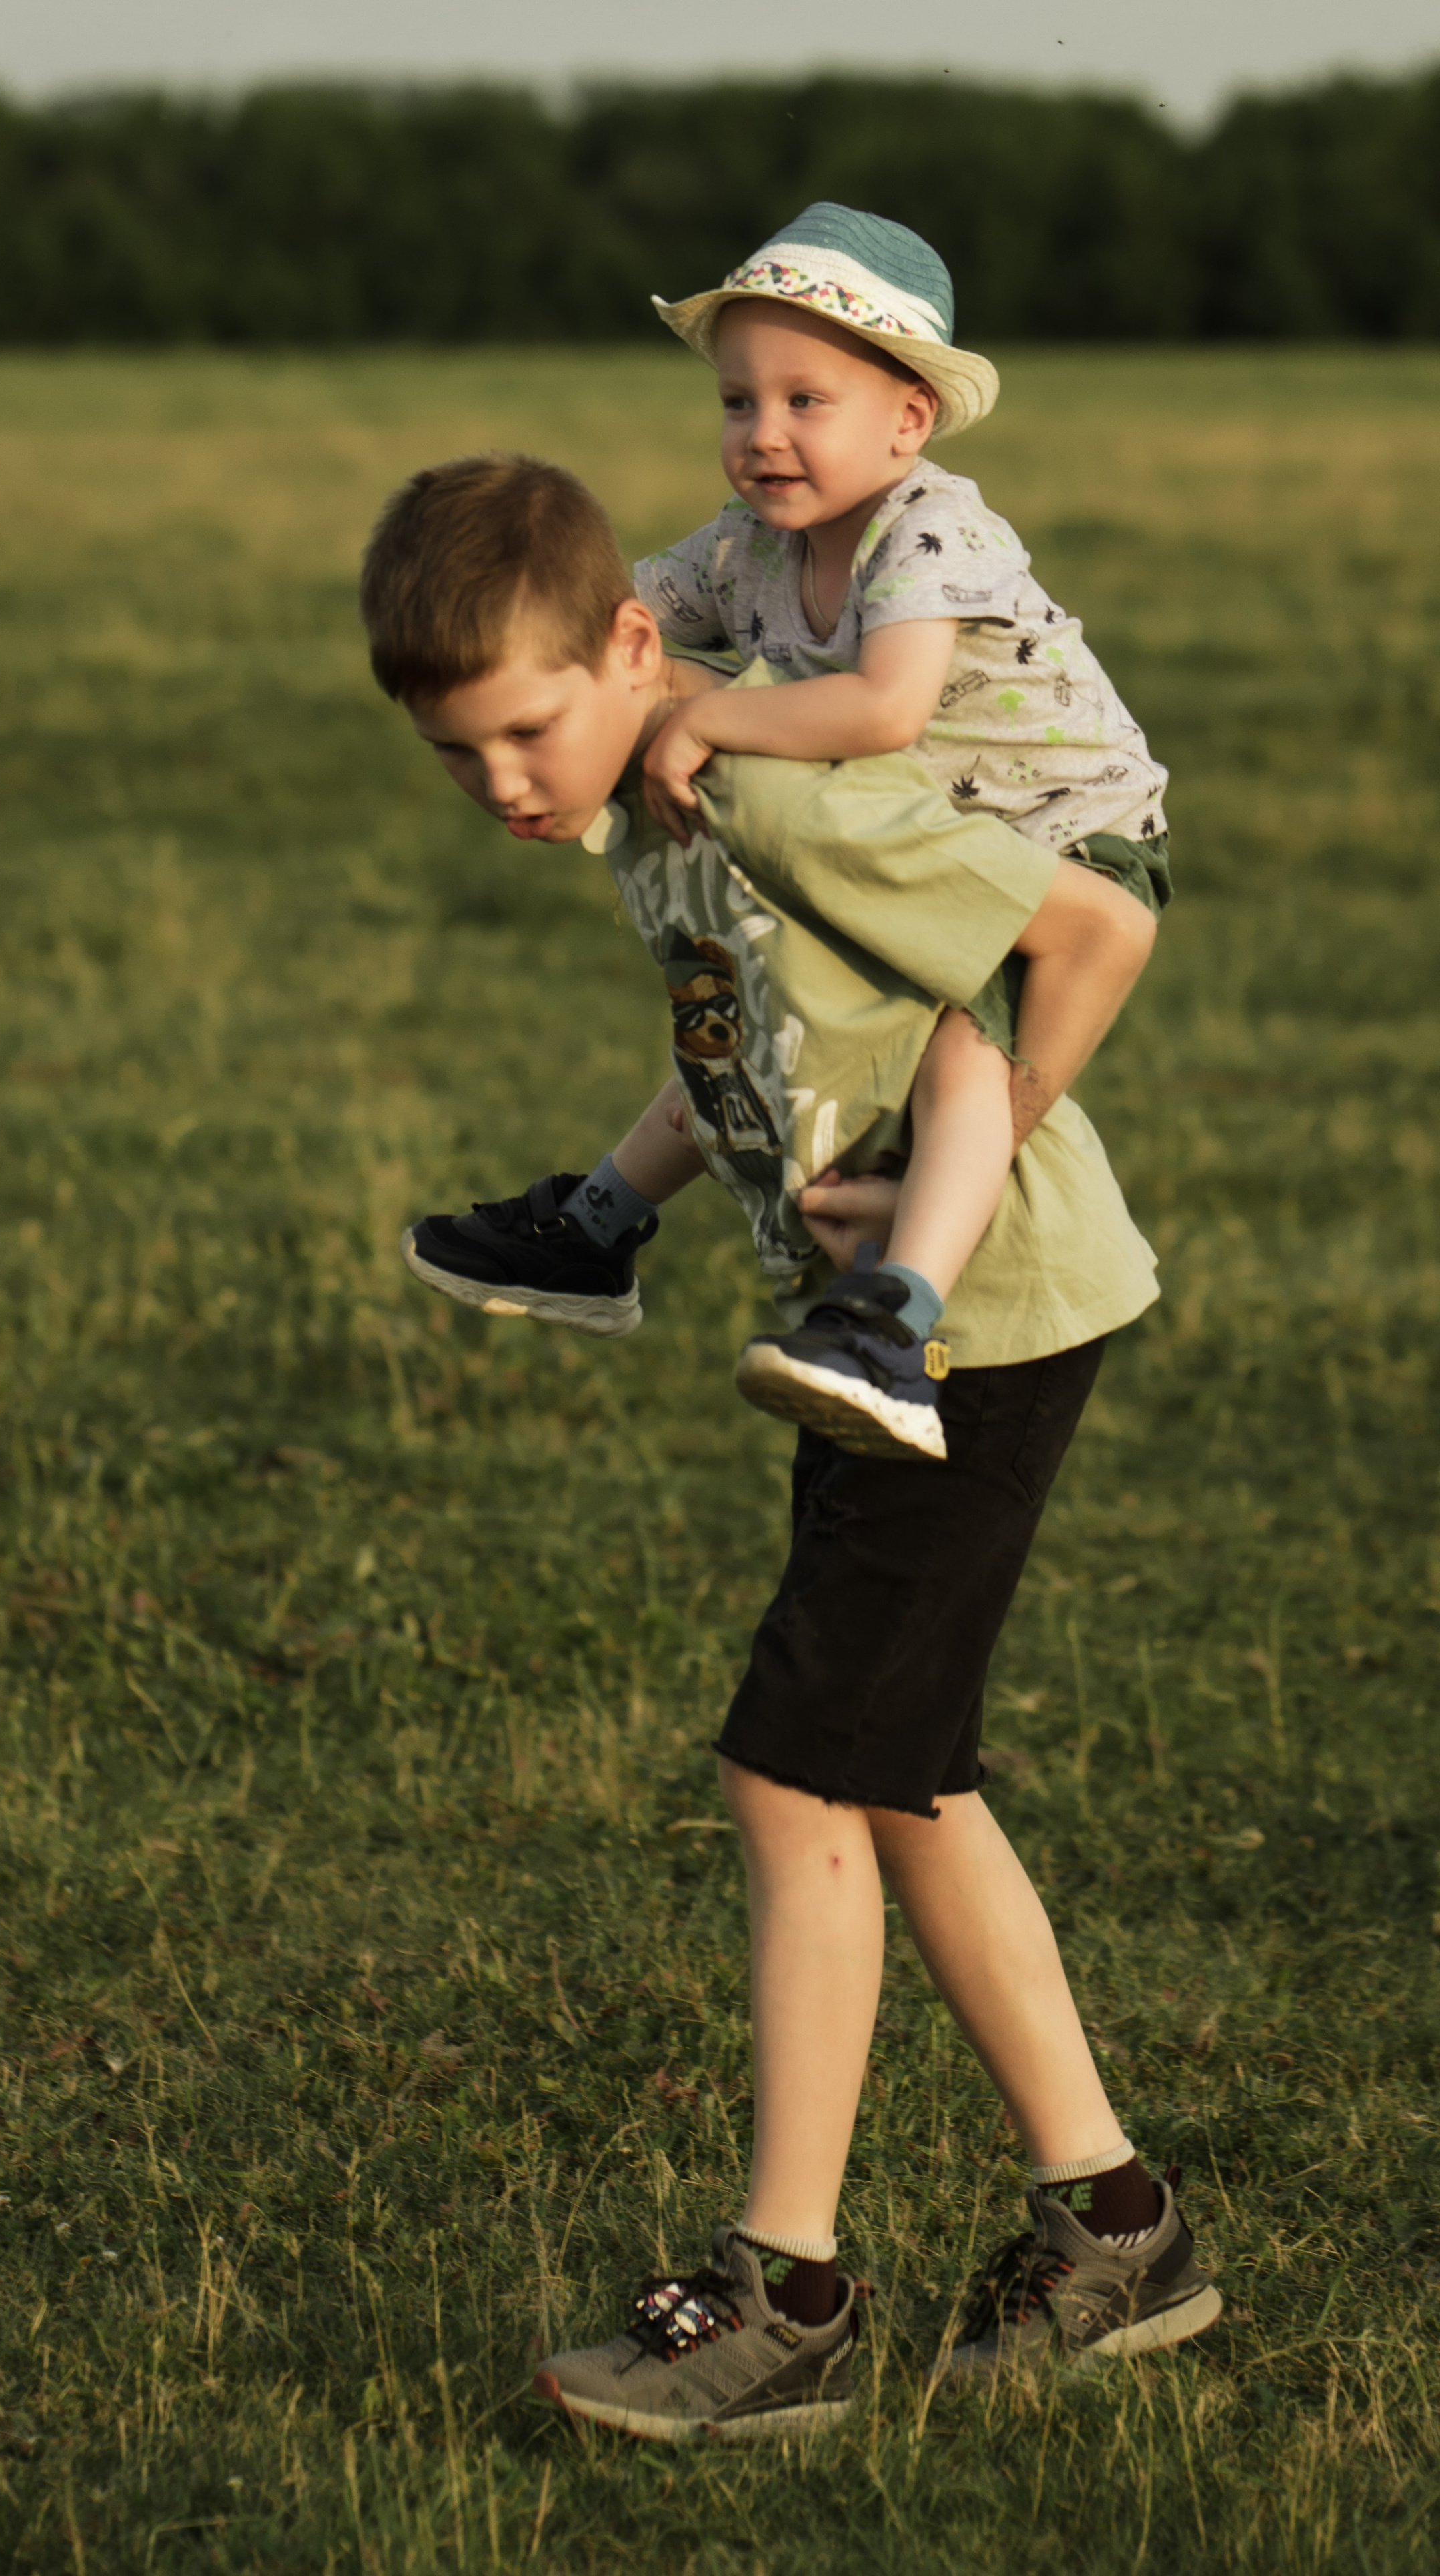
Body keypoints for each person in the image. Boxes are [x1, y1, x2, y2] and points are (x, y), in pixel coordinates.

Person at [359, 453, 1219, 2435]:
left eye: (526, 728)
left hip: (974, 1329)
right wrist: (607, 1209)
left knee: (787, 1774)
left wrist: (938, 1167)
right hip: (883, 1351)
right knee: (899, 1785)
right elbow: (737, 1044)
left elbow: (1087, 933)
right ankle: (1118, 2224)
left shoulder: (767, 783)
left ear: (635, 653)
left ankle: (789, 2299)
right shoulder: (659, 816)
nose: (499, 781)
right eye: (455, 753)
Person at [406, 203, 1173, 1466]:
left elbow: (883, 710)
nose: (762, 434)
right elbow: (607, 619)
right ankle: (596, 1226)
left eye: (806, 401)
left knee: (966, 1058)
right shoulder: (752, 548)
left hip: (1074, 833)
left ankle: (898, 1321)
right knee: (758, 1016)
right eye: (736, 401)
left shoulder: (932, 533)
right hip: (939, 823)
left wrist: (711, 720)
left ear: (906, 420)